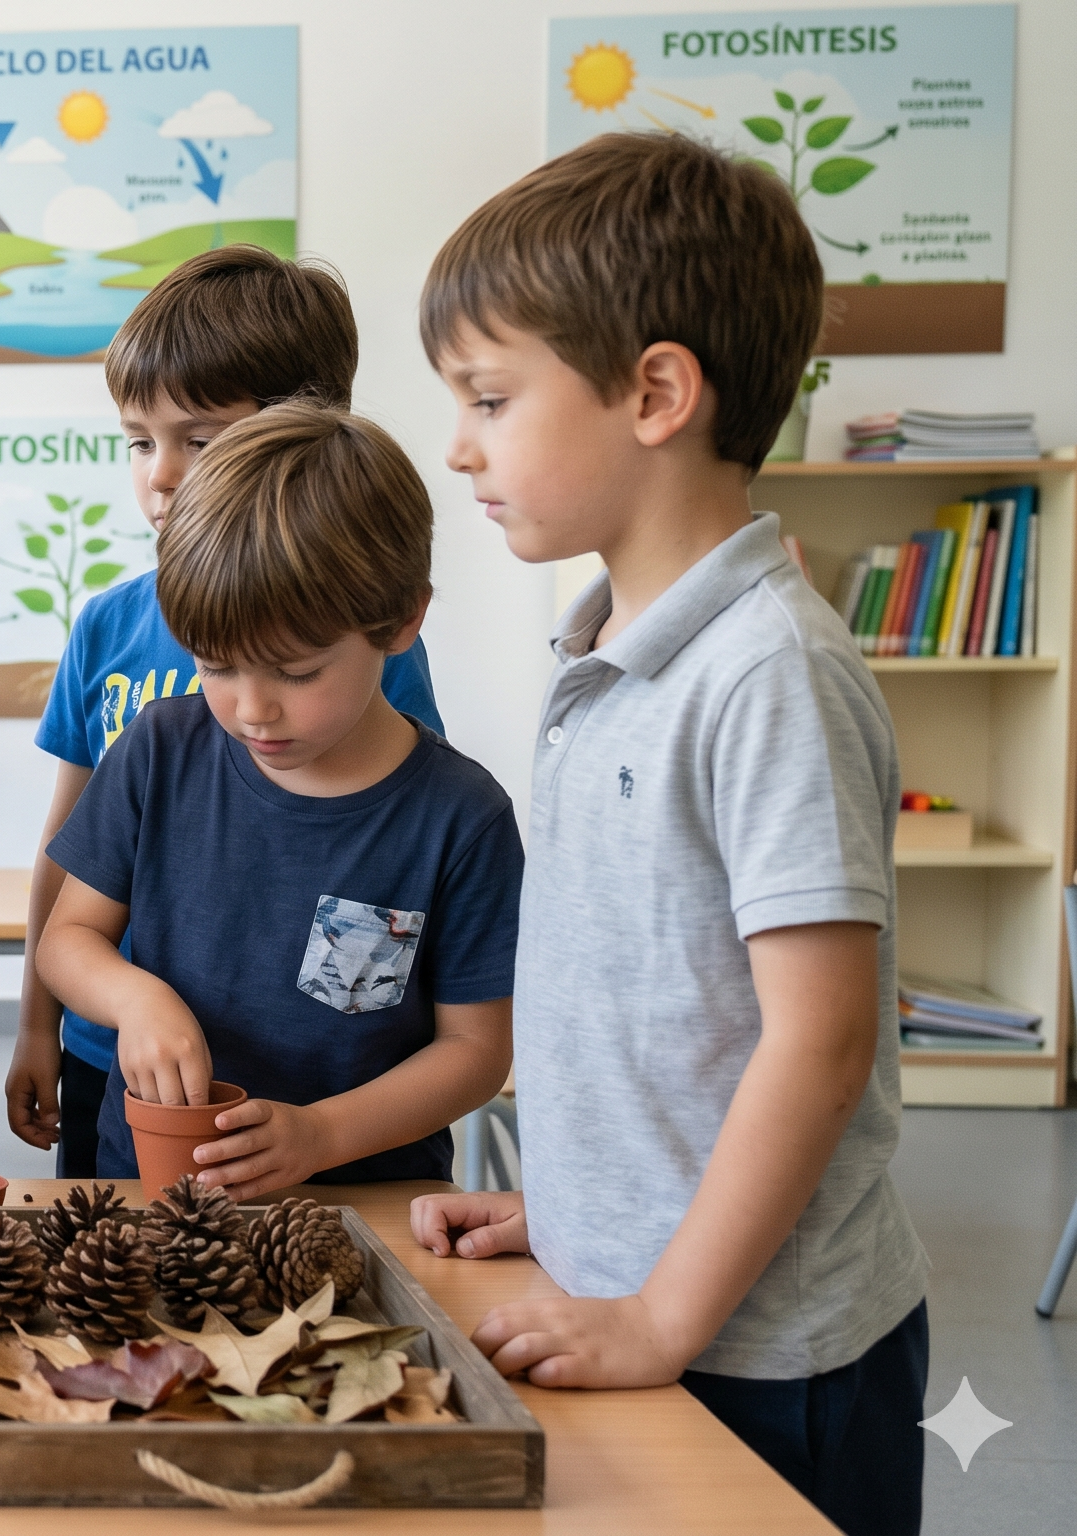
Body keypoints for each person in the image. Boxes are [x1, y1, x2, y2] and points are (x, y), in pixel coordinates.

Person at [408, 132, 927, 1536]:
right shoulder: (609, 654)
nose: (460, 446)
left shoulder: (769, 673)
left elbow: (816, 1043)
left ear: (654, 393)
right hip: (646, 1290)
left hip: (765, 1349)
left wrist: (659, 1311)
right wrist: (571, 1219)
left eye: (491, 397)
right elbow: (652, 1005)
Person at [9, 245, 448, 1178]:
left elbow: (401, 867)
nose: (162, 475)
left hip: (318, 1096)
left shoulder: (357, 661)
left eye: (199, 439)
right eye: (139, 439)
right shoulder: (110, 627)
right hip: (119, 1066)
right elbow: (64, 847)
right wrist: (37, 1025)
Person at [37, 402, 518, 1198]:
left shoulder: (462, 819)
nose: (253, 708)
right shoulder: (158, 751)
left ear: (401, 623)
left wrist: (324, 1133)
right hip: (156, 1186)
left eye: (296, 673)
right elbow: (69, 939)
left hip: (365, 1202)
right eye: (217, 666)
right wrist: (136, 999)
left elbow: (474, 1052)